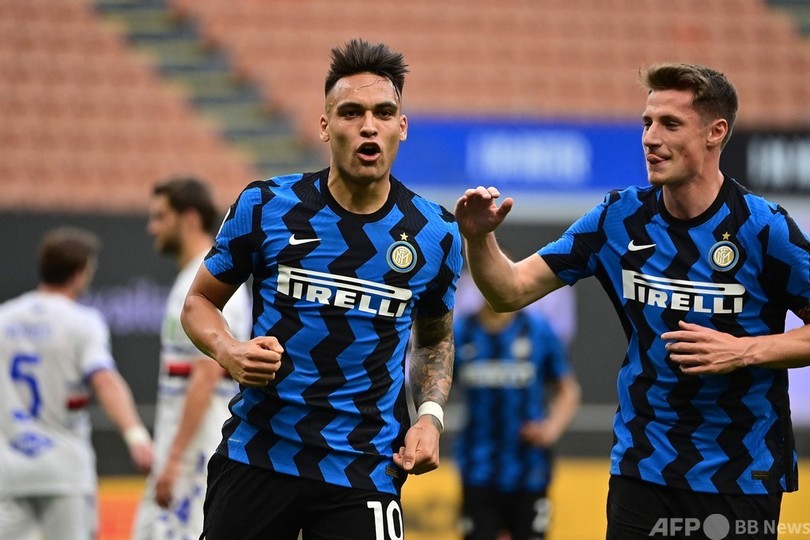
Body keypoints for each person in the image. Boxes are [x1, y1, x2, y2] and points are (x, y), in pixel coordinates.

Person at [455, 63, 810, 540]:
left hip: (741, 471)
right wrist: (478, 239)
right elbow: (510, 290)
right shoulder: (618, 218)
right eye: (647, 122)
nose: (650, 138)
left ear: (715, 132)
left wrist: (744, 351)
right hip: (643, 466)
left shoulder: (763, 228)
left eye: (670, 124)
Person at [180, 38, 463, 540]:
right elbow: (199, 301)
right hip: (260, 453)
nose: (369, 126)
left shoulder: (435, 233)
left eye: (383, 113)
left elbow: (435, 340)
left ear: (402, 126)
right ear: (325, 125)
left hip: (366, 467)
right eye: (351, 112)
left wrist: (430, 418)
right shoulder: (265, 206)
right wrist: (229, 350)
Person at [0, 227, 154, 540]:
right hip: (65, 469)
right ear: (80, 271)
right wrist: (136, 435)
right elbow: (105, 381)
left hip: (9, 468)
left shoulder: (5, 317)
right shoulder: (82, 322)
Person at [132, 177, 251, 539]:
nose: (152, 227)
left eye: (160, 216)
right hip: (180, 450)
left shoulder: (211, 285)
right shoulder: (190, 278)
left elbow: (205, 375)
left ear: (189, 219)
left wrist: (175, 459)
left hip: (197, 455)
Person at [453, 277, 580, 540]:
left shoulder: (537, 329)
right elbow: (432, 383)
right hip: (478, 467)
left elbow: (568, 390)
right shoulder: (461, 331)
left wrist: (551, 429)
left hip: (529, 469)